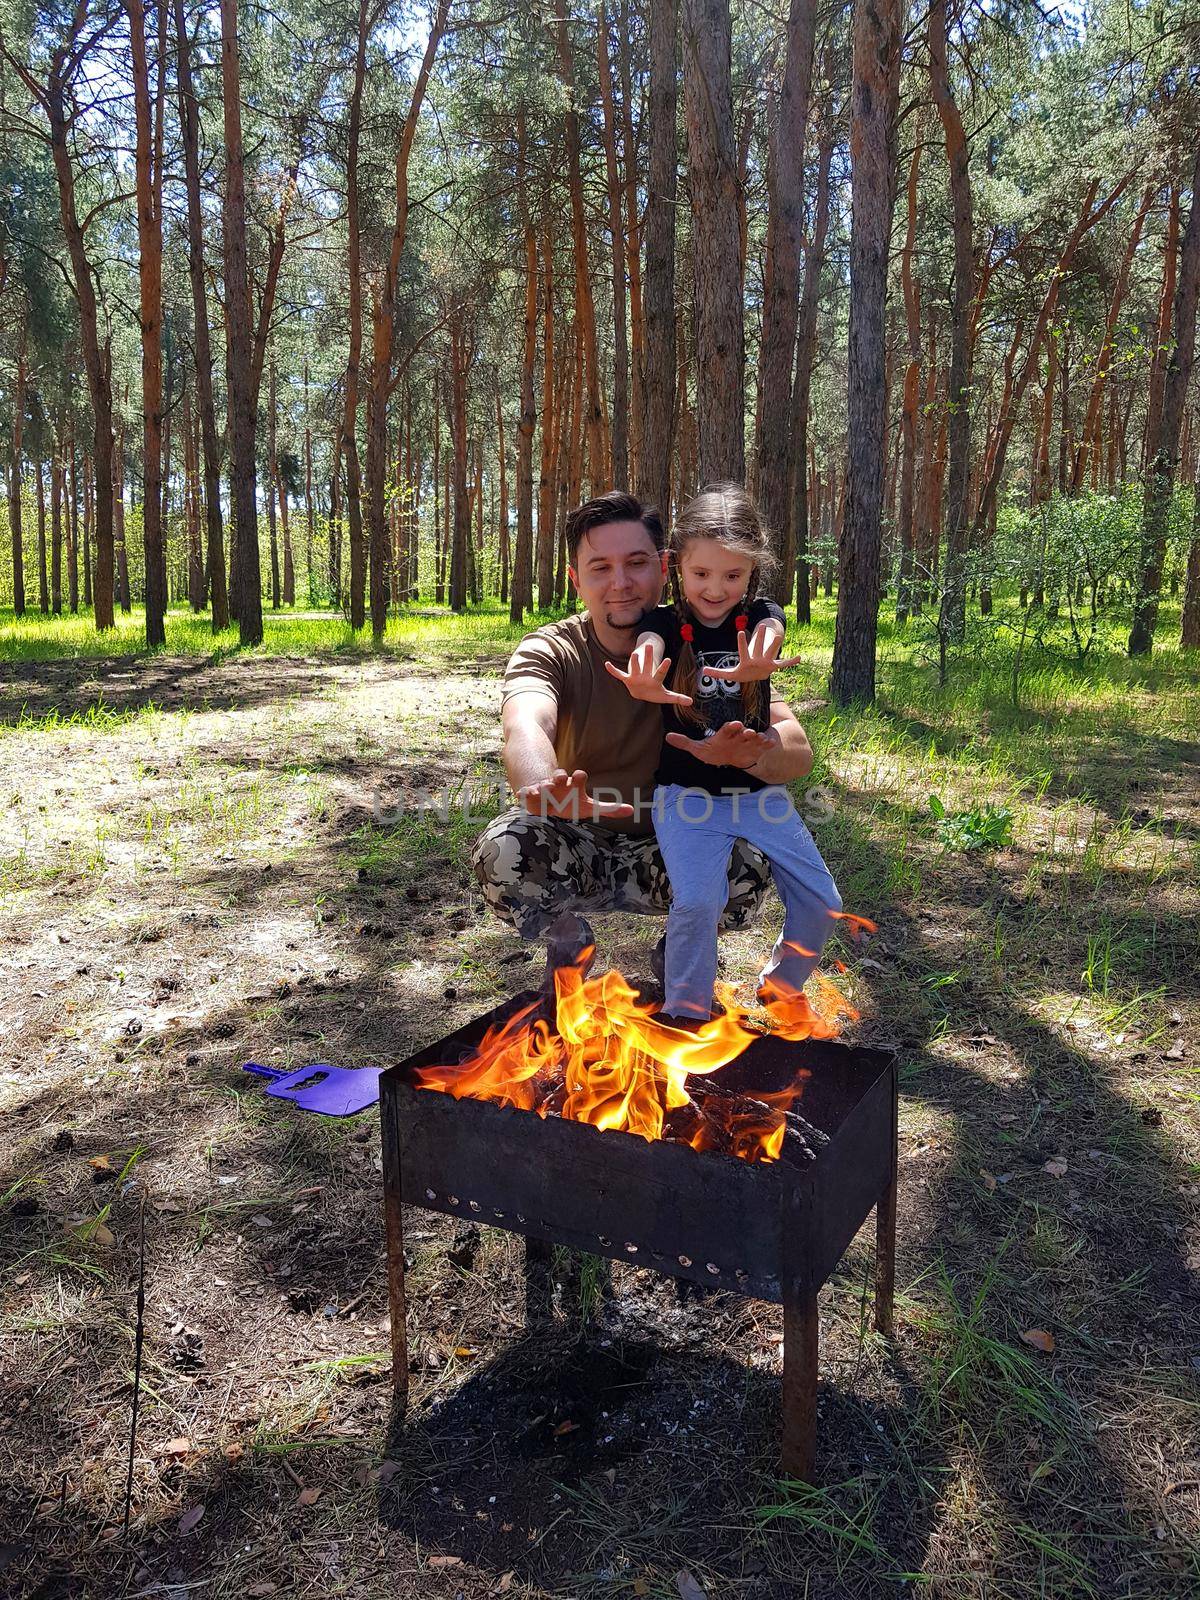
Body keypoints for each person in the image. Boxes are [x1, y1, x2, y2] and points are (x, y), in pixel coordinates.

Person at [471, 490, 818, 989]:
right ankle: (568, 942)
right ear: (575, 579)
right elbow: (526, 723)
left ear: (665, 567)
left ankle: (678, 952)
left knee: (749, 855)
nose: (621, 584)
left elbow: (794, 747)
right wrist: (545, 785)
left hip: (677, 841)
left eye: (636, 564)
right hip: (579, 838)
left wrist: (751, 754)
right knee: (505, 852)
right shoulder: (553, 649)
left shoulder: (710, 643)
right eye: (599, 568)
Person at [606, 482, 842, 1021]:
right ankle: (686, 1010)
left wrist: (763, 654)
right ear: (676, 567)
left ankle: (782, 985)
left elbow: (769, 632)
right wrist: (643, 670)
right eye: (702, 574)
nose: (716, 588)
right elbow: (649, 644)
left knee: (822, 898)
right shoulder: (664, 622)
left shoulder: (760, 615)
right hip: (686, 797)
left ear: (751, 571)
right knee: (696, 902)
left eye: (732, 575)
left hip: (758, 793)